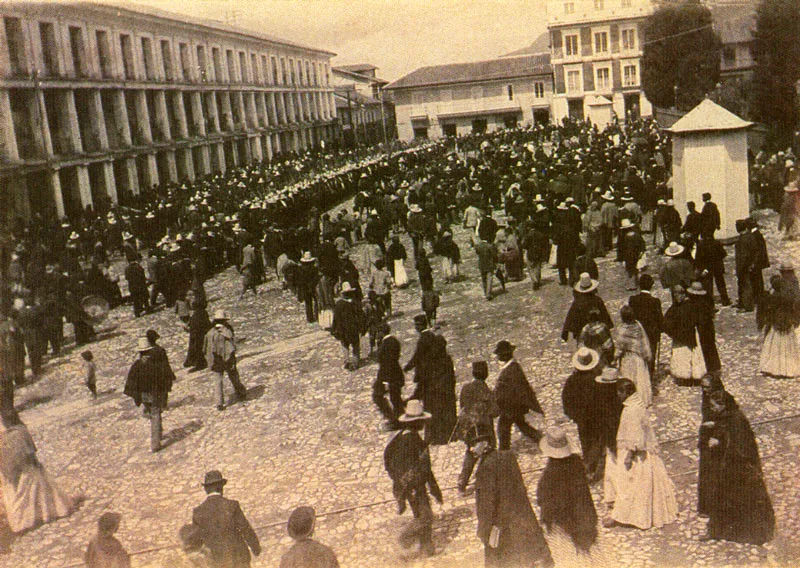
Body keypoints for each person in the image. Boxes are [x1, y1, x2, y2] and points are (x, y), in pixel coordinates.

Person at [699, 388, 775, 544]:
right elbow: (726, 428)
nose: (712, 409)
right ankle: (722, 531)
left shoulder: (737, 420)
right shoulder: (728, 415)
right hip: (730, 466)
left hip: (740, 469)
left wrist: (719, 443)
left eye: (714, 406)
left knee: (742, 500)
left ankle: (748, 534)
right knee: (724, 499)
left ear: (722, 405)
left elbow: (740, 445)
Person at [603, 379, 677, 530]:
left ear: (626, 392)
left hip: (635, 453)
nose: (618, 395)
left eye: (619, 392)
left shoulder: (632, 410)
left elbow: (636, 436)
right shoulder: (637, 404)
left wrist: (629, 455)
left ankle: (625, 516)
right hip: (639, 451)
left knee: (628, 484)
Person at [473, 440, 554, 568]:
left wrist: (484, 532)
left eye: (473, 446)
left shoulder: (484, 470)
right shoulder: (508, 456)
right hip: (523, 519)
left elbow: (486, 506)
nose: (472, 450)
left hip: (504, 528)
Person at [383, 400, 442, 558]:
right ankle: (404, 538)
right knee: (425, 517)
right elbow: (425, 468)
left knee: (421, 513)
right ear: (417, 422)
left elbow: (387, 459)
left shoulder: (397, 439)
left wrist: (397, 479)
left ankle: (427, 548)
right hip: (414, 486)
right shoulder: (415, 442)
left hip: (404, 486)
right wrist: (433, 488)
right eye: (422, 421)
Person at [0, 408, 74, 534]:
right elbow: (29, 451)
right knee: (32, 490)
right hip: (23, 462)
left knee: (21, 492)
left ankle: (23, 521)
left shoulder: (9, 433)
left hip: (12, 463)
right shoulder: (19, 430)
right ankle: (41, 515)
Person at [536, 426, 598, 557]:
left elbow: (543, 501)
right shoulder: (576, 461)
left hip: (564, 525)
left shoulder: (549, 474)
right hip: (584, 517)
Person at [192, 470, 261, 568]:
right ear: (221, 487)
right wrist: (256, 548)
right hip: (238, 558)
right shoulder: (232, 506)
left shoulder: (198, 512)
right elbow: (245, 529)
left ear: (206, 489)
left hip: (215, 562)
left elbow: (196, 542)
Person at [561, 348, 608, 482]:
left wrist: (572, 415)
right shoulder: (598, 378)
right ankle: (590, 467)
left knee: (586, 441)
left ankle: (588, 464)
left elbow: (566, 400)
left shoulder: (572, 380)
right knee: (597, 441)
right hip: (597, 417)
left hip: (581, 419)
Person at [455, 360, 499, 495]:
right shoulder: (487, 391)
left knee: (471, 453)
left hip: (468, 429)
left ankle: (462, 481)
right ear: (486, 374)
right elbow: (495, 412)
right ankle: (482, 478)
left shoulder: (465, 388)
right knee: (488, 450)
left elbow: (462, 405)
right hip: (484, 431)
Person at [123, 336, 174, 452]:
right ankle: (156, 442)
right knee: (156, 413)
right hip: (155, 393)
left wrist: (137, 395)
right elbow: (163, 377)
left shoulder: (137, 365)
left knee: (152, 413)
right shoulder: (155, 364)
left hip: (143, 395)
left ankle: (159, 433)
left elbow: (131, 381)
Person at [493, 340, 544, 450]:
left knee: (503, 429)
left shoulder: (512, 369)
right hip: (513, 406)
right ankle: (542, 441)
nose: (498, 357)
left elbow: (520, 389)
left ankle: (504, 452)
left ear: (504, 356)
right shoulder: (511, 367)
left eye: (499, 355)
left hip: (511, 407)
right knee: (523, 426)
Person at [757, 275, 800, 378]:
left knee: (774, 347)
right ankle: (788, 368)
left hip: (776, 325)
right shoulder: (788, 297)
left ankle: (772, 367)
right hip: (786, 325)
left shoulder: (772, 298)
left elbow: (767, 312)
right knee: (788, 348)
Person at [204, 310, 248, 411]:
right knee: (234, 376)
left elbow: (207, 349)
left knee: (218, 381)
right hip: (227, 359)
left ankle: (219, 403)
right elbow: (231, 345)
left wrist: (210, 361)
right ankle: (241, 392)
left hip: (216, 360)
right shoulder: (228, 330)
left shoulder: (210, 333)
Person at [615, 305, 653, 407]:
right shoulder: (638, 325)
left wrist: (615, 358)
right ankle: (643, 400)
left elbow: (619, 347)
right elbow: (644, 341)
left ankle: (630, 401)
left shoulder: (621, 329)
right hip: (639, 357)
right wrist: (647, 355)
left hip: (628, 358)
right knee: (640, 379)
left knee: (629, 379)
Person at [562, 273, 613, 344]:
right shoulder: (597, 300)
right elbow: (604, 314)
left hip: (582, 333)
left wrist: (565, 332)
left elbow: (570, 317)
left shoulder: (577, 303)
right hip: (597, 331)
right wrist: (608, 326)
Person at [629, 273, 663, 375]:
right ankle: (650, 377)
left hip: (637, 332)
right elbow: (660, 319)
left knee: (639, 356)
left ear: (639, 285)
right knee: (651, 356)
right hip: (651, 333)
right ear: (652, 285)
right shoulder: (655, 301)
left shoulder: (633, 300)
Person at [373, 334, 405, 430]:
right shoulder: (393, 341)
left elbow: (387, 362)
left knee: (379, 396)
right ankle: (399, 419)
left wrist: (386, 381)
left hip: (388, 376)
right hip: (394, 374)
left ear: (381, 332)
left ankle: (394, 420)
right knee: (395, 398)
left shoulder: (386, 344)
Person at [331, 282, 365, 371]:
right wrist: (362, 328)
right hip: (354, 328)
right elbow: (361, 316)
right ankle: (355, 362)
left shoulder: (339, 305)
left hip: (343, 329)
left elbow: (336, 318)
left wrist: (334, 329)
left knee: (345, 345)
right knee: (355, 345)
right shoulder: (355, 303)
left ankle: (346, 361)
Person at [184, 297, 211, 372]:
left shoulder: (198, 313)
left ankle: (200, 364)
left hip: (198, 336)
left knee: (197, 349)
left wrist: (189, 329)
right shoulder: (202, 312)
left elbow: (198, 325)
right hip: (199, 334)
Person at [474, 236, 498, 301]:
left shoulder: (478, 246)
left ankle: (485, 291)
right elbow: (494, 255)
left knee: (483, 279)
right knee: (489, 278)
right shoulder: (489, 246)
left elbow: (477, 253)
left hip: (481, 264)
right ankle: (489, 293)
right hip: (489, 264)